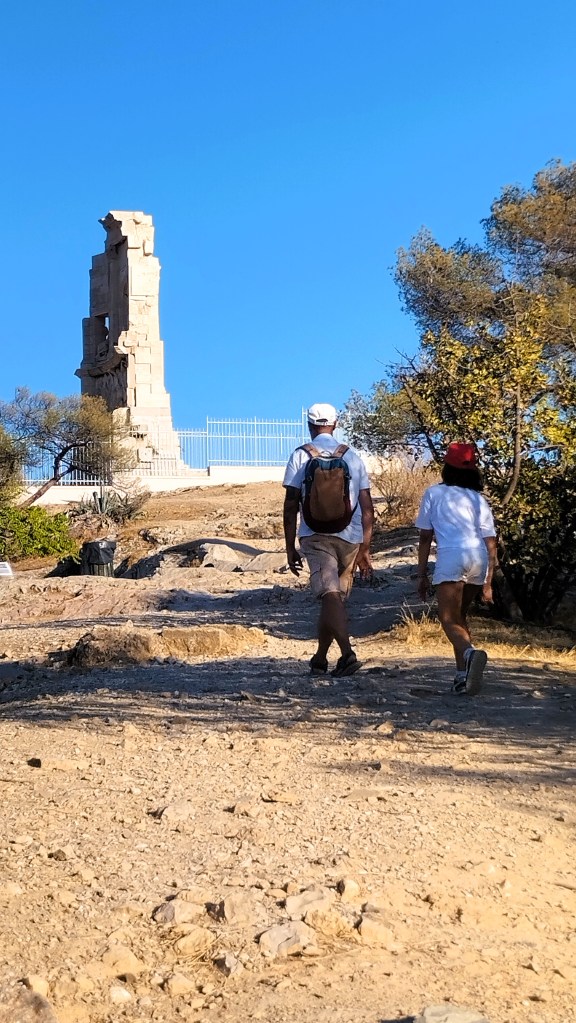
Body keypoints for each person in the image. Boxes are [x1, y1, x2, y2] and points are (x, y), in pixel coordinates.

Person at [283, 403, 374, 677]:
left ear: (310, 425)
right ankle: (321, 658)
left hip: (315, 536)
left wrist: (289, 547)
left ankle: (347, 654)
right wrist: (365, 548)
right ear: (335, 424)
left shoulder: (301, 455)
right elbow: (367, 508)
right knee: (333, 598)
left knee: (329, 595)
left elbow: (290, 504)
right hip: (350, 537)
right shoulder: (352, 457)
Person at [415, 442, 497, 695]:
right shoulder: (478, 499)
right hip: (478, 558)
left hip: (451, 556)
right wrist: (488, 582)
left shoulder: (433, 493)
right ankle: (463, 677)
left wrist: (421, 575)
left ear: (446, 468)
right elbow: (491, 542)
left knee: (448, 619)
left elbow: (425, 537)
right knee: (460, 618)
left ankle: (470, 654)